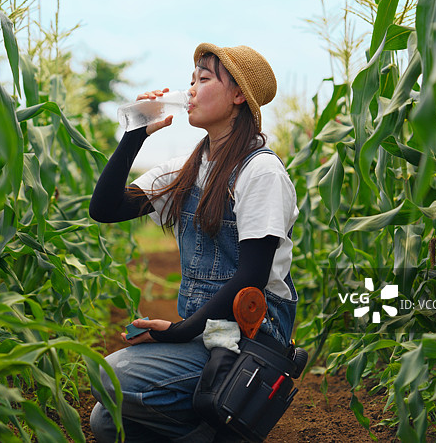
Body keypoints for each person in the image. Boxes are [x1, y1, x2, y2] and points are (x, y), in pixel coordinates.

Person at [87, 43, 299, 442]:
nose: (190, 91)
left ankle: (227, 422)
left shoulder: (261, 172)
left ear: (239, 96)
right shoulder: (188, 169)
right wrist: (134, 134)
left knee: (108, 377)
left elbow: (252, 276)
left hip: (251, 336)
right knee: (105, 423)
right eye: (190, 81)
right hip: (206, 333)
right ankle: (211, 422)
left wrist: (177, 332)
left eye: (203, 80)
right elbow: (106, 208)